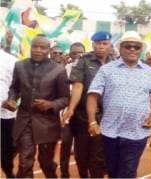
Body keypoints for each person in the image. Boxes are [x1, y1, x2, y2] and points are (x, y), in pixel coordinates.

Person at [86, 31, 151, 178]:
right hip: (110, 131)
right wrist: (92, 121)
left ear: (141, 50)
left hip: (137, 131)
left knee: (127, 172)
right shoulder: (106, 70)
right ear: (120, 49)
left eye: (136, 47)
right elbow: (93, 95)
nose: (132, 49)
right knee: (112, 171)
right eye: (128, 46)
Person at [2, 34, 70, 178]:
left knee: (45, 163)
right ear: (30, 47)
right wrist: (12, 100)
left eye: (43, 47)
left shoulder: (58, 70)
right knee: (24, 162)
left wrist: (51, 104)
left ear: (49, 50)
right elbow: (14, 88)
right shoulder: (20, 65)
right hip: (25, 120)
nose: (38, 50)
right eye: (35, 46)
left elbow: (65, 98)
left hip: (47, 123)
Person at [61, 31, 112, 178]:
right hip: (82, 116)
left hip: (105, 116)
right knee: (81, 155)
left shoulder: (115, 63)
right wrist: (71, 108)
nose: (101, 47)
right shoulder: (84, 60)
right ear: (93, 44)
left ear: (109, 46)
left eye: (105, 44)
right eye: (98, 44)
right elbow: (78, 86)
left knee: (98, 156)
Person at [59, 42, 85, 178]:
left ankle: (83, 174)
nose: (78, 55)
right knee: (66, 144)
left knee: (81, 148)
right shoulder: (63, 70)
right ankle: (64, 173)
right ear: (70, 55)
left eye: (81, 52)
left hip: (83, 115)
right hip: (67, 114)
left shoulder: (89, 69)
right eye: (75, 53)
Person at [0, 48, 18, 178]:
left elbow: (19, 85)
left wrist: (12, 100)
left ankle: (8, 170)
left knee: (11, 145)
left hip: (6, 114)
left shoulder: (11, 60)